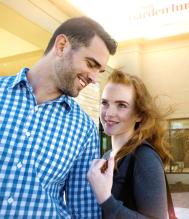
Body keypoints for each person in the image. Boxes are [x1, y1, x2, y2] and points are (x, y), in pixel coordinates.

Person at [0, 16, 117, 218]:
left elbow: (84, 211)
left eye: (100, 71)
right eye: (91, 64)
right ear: (62, 46)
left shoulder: (85, 129)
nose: (94, 78)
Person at [87, 70, 174, 219]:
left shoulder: (144, 158)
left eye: (121, 105)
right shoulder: (108, 156)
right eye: (105, 103)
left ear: (139, 114)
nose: (108, 113)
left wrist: (106, 200)